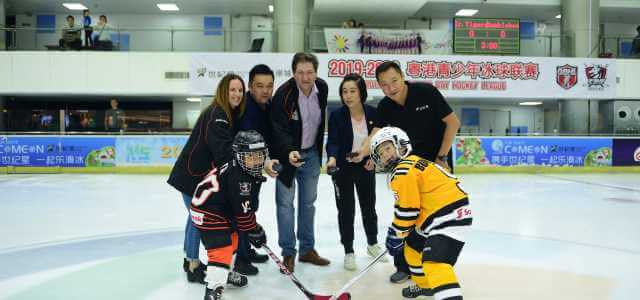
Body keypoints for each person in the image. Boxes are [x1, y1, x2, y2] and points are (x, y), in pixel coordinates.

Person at [352, 60, 461, 286]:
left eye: (394, 81)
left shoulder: (426, 92)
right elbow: (375, 134)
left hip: (434, 165)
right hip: (407, 170)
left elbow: (453, 123)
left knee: (433, 218)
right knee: (406, 214)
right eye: (384, 84)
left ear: (402, 76)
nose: (390, 87)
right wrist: (363, 153)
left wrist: (442, 157)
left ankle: (434, 265)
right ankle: (404, 266)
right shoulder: (385, 107)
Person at [369, 126, 472, 299]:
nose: (385, 155)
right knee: (412, 247)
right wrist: (400, 234)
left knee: (435, 263)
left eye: (387, 148)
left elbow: (408, 210)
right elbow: (414, 206)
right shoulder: (413, 161)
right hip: (438, 214)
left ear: (401, 145)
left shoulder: (402, 171)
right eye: (381, 153)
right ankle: (427, 286)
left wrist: (396, 233)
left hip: (447, 216)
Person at [167, 74, 247, 284]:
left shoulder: (221, 112)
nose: (237, 94)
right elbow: (222, 152)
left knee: (193, 218)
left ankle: (189, 259)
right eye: (232, 90)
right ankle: (193, 265)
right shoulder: (218, 114)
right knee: (198, 220)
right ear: (223, 91)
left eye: (240, 90)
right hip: (193, 178)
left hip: (192, 176)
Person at [191, 130, 270, 300]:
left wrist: (253, 228)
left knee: (233, 239)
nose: (256, 160)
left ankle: (225, 273)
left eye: (259, 155)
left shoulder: (240, 167)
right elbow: (243, 213)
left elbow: (243, 209)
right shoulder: (240, 177)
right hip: (209, 213)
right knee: (222, 249)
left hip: (217, 210)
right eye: (250, 156)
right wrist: (254, 230)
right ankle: (213, 290)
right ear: (239, 155)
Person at [270, 52, 330, 273]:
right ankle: (288, 252)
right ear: (293, 73)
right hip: (287, 156)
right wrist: (289, 151)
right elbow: (279, 129)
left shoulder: (322, 88)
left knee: (308, 203)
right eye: (300, 73)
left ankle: (307, 250)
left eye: (310, 72)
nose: (305, 78)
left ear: (316, 72)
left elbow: (320, 120)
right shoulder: (283, 95)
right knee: (285, 204)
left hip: (312, 155)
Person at [325, 74, 385, 270]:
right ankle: (349, 251)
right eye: (344, 91)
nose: (348, 96)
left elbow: (379, 142)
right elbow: (332, 141)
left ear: (361, 93)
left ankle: (372, 243)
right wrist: (332, 158)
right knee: (346, 210)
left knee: (369, 207)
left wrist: (373, 160)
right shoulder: (336, 115)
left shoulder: (374, 113)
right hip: (343, 168)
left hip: (365, 166)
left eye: (352, 91)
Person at [234, 64, 279, 275]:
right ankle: (241, 259)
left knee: (251, 208)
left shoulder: (266, 105)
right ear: (250, 86)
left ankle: (247, 250)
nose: (265, 90)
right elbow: (248, 145)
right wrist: (265, 163)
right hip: (242, 170)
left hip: (254, 169)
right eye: (259, 86)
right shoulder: (247, 109)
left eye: (269, 86)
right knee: (244, 210)